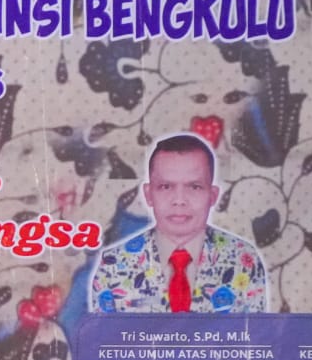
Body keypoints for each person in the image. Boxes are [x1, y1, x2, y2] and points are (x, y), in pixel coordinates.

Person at [90, 133, 267, 313]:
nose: (179, 200)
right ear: (148, 194)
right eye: (165, 187)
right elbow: (104, 331)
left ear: (212, 196)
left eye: (194, 187)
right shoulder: (112, 264)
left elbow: (255, 330)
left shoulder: (244, 260)